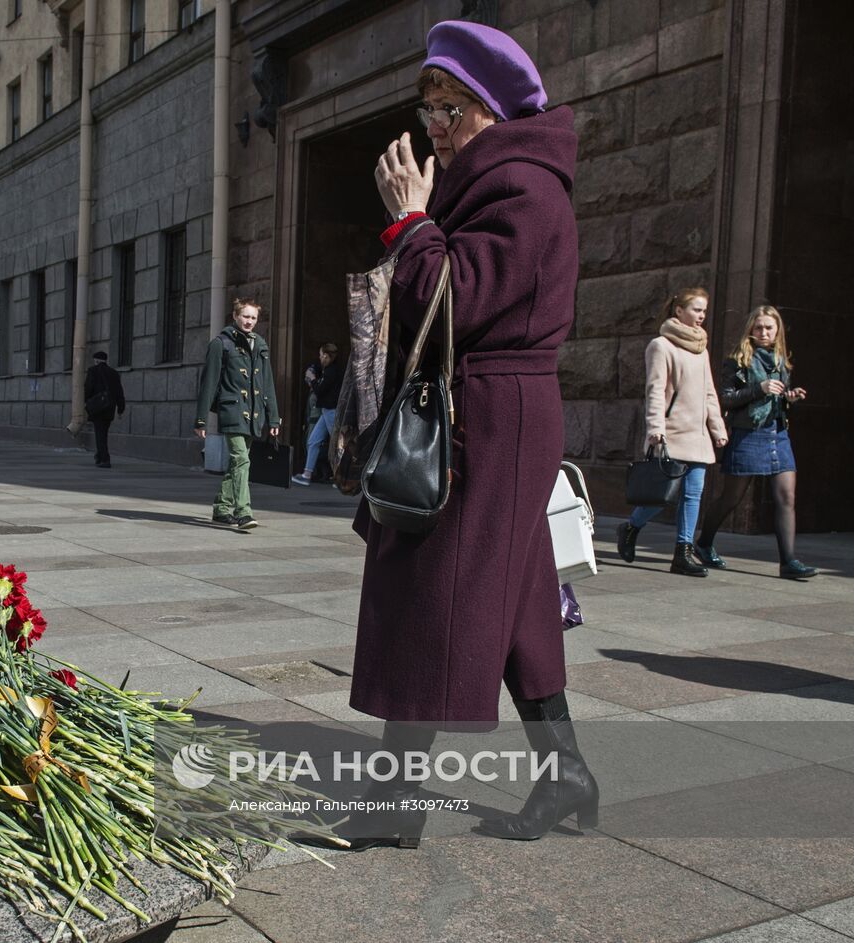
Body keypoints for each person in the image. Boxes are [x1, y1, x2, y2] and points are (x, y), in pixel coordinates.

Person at [347, 20, 599, 847]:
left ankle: (395, 804)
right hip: (489, 410)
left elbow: (457, 299)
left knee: (424, 586)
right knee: (521, 600)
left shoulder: (524, 186)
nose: (432, 131)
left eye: (444, 110)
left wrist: (412, 225)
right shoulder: (494, 179)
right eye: (427, 113)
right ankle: (567, 775)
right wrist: (419, 225)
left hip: (490, 416)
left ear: (485, 109)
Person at [695, 306, 816, 580]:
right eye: (758, 327)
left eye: (769, 328)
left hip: (777, 433)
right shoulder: (740, 361)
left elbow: (777, 399)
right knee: (731, 498)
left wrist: (790, 397)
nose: (763, 332)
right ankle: (703, 543)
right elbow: (726, 398)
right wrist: (758, 389)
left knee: (786, 497)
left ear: (777, 331)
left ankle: (788, 561)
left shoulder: (781, 360)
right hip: (748, 435)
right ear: (751, 329)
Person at [616, 288, 728, 577]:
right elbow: (654, 390)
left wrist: (717, 428)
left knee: (693, 494)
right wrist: (655, 428)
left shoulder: (701, 349)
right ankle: (631, 527)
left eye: (704, 311)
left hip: (698, 436)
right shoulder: (661, 346)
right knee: (661, 496)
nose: (701, 316)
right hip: (672, 433)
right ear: (679, 310)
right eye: (696, 309)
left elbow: (709, 393)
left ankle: (683, 553)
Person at [194, 299, 281, 529]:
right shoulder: (220, 343)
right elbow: (209, 383)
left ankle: (221, 507)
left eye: (253, 317)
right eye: (245, 316)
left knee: (238, 464)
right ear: (235, 316)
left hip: (254, 414)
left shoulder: (260, 344)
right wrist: (201, 419)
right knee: (241, 459)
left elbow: (268, 383)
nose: (249, 321)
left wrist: (273, 417)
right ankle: (243, 512)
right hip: (232, 411)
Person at [292, 343, 344, 486]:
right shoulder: (330, 370)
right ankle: (307, 474)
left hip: (330, 410)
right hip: (326, 410)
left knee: (337, 444)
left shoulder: (331, 371)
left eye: (321, 355)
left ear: (326, 356)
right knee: (313, 441)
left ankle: (340, 477)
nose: (320, 358)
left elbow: (320, 390)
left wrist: (312, 379)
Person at [84, 351, 126, 468]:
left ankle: (105, 458)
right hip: (109, 407)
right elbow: (119, 392)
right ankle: (99, 455)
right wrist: (120, 409)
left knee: (99, 433)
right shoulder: (113, 373)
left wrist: (85, 402)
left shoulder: (93, 371)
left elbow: (88, 388)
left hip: (97, 407)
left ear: (96, 360)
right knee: (103, 432)